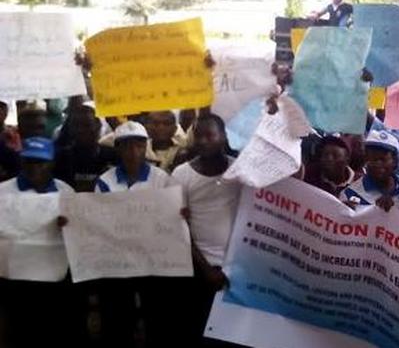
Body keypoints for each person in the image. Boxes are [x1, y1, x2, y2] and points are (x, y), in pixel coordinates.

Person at [92, 121, 174, 347]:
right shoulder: (105, 181)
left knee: (156, 317)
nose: (133, 152)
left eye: (138, 145)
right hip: (119, 263)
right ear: (117, 149)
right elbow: (101, 222)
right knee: (118, 318)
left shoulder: (162, 179)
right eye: (126, 146)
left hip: (153, 261)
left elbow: (168, 218)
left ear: (145, 146)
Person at [171, 114, 241, 346]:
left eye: (209, 135)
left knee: (233, 333)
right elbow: (178, 225)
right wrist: (206, 268)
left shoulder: (240, 172)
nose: (202, 141)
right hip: (199, 270)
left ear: (223, 138)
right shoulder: (181, 174)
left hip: (237, 271)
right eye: (198, 135)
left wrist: (232, 267)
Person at [0, 137, 77, 347]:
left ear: (51, 163)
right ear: (21, 162)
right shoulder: (2, 192)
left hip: (54, 276)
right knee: (18, 330)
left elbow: (79, 236)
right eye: (29, 161)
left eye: (40, 162)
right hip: (14, 278)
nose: (34, 167)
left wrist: (70, 226)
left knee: (52, 329)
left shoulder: (66, 192)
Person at [340, 130, 399, 211]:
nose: (378, 164)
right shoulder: (349, 194)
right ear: (365, 160)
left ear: (395, 161)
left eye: (383, 159)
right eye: (373, 158)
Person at [54, 102, 117, 192]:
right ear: (71, 129)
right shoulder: (60, 159)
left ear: (98, 126)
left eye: (86, 125)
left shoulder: (113, 157)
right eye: (76, 125)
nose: (81, 130)